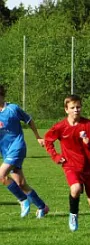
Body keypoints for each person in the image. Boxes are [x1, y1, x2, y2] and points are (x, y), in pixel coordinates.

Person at [44, 94, 90, 235]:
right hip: (70, 165)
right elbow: (48, 140)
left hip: (88, 167)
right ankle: (73, 215)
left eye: (78, 107)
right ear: (66, 110)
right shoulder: (61, 127)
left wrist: (89, 143)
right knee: (76, 188)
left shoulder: (89, 125)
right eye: (72, 107)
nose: (76, 110)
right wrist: (56, 156)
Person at [0, 84, 49, 218]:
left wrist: (38, 137)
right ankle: (42, 207)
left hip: (18, 146)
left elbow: (29, 120)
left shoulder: (13, 108)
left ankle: (23, 200)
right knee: (21, 184)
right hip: (5, 151)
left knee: (1, 175)